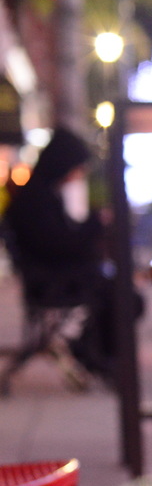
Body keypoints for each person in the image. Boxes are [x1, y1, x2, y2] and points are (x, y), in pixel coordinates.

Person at [3, 127, 114, 379]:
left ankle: (93, 354)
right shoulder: (36, 198)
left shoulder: (40, 193)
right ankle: (95, 356)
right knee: (121, 297)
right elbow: (58, 245)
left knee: (119, 293)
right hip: (51, 282)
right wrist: (95, 224)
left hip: (54, 276)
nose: (78, 173)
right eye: (77, 167)